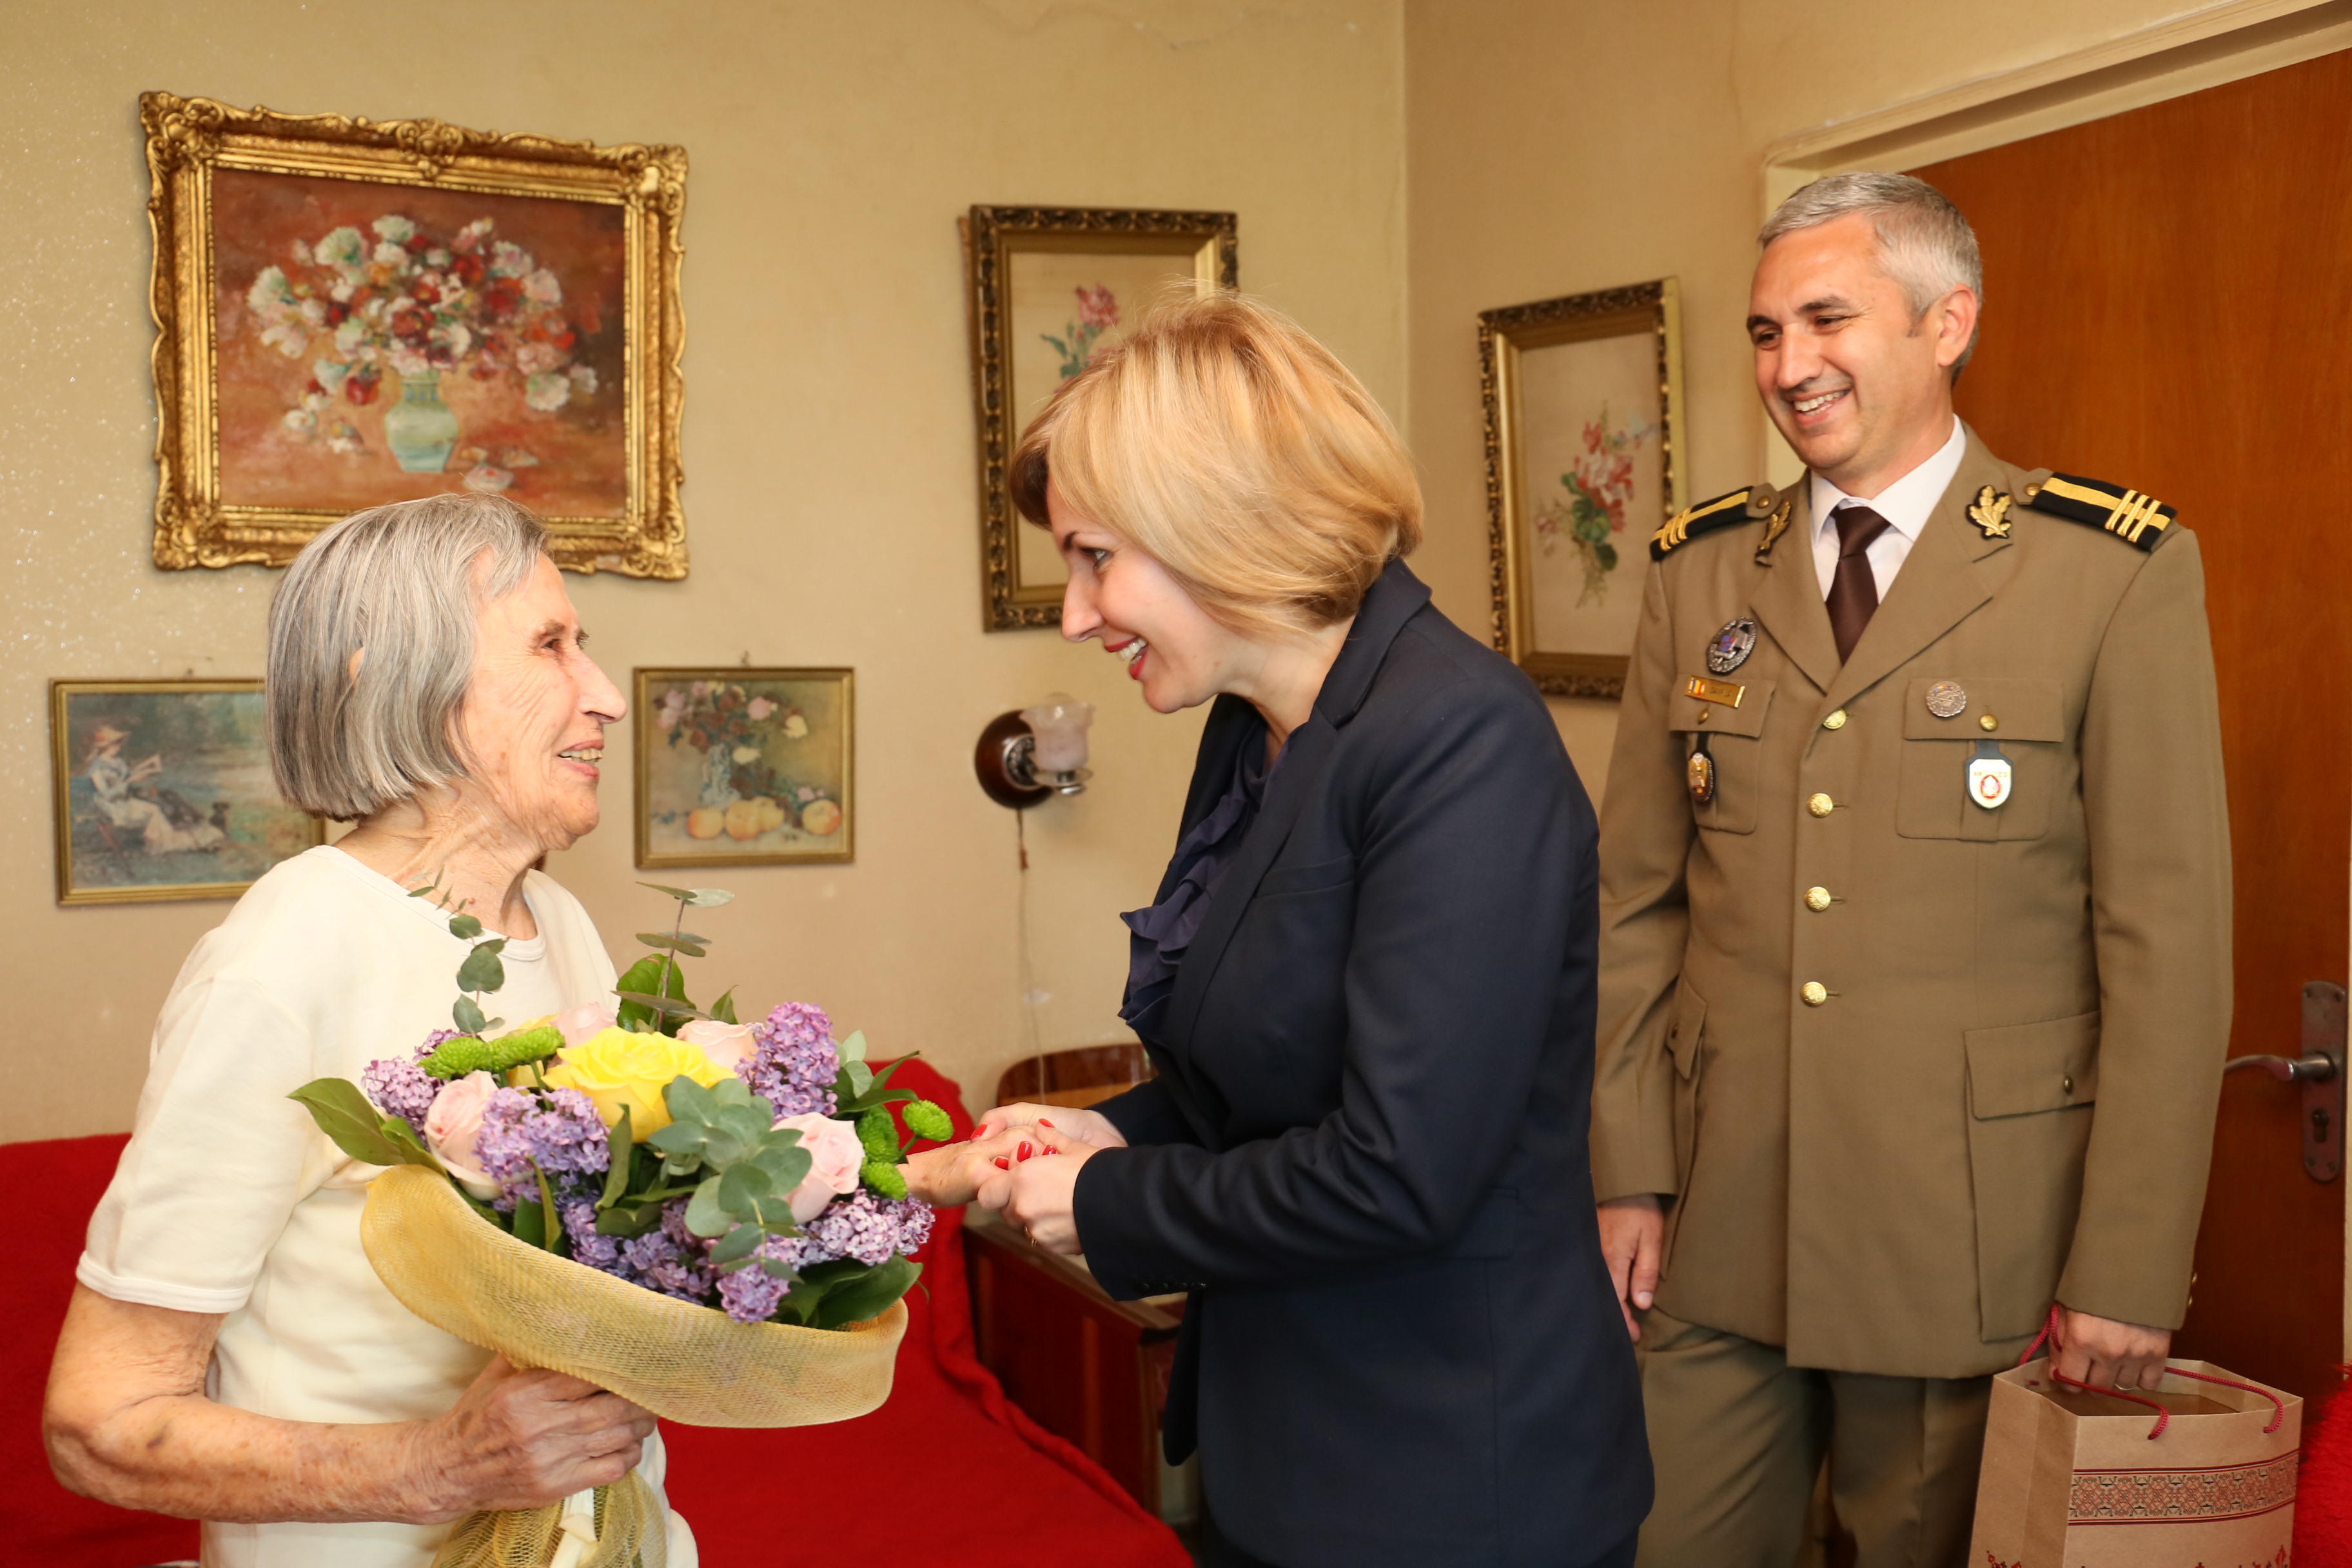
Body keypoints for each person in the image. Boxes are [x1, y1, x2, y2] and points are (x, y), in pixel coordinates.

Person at [1589, 172, 2231, 1566]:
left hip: (1967, 1234)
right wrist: (1626, 1169)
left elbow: (2165, 952)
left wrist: (2126, 1265)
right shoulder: (1699, 573)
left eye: (1827, 319)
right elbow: (1633, 899)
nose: (1789, 366)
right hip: (1721, 1216)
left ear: (1951, 323)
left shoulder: (2107, 572)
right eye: (1766, 332)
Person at [970, 292, 1651, 1568]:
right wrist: (1112, 1123)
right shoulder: (1257, 727)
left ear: (1216, 526)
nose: (1075, 613)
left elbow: (1402, 1167)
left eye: (1095, 556)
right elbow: (1270, 1076)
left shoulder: (1461, 741)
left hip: (1449, 1485)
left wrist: (1112, 1197)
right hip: (1292, 1452)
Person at [43, 495, 695, 1568]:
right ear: (399, 680)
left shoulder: (561, 922)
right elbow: (101, 1421)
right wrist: (441, 1465)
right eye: (549, 645)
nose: (607, 696)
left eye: (587, 646)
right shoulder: (288, 953)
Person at [85, 720, 225, 856]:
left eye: (119, 744)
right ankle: (168, 844)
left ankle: (201, 837)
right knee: (157, 807)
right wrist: (130, 781)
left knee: (171, 797)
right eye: (115, 745)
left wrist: (146, 768)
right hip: (115, 804)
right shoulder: (96, 767)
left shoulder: (118, 761)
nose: (118, 747)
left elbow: (128, 776)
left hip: (129, 796)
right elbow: (107, 794)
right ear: (105, 746)